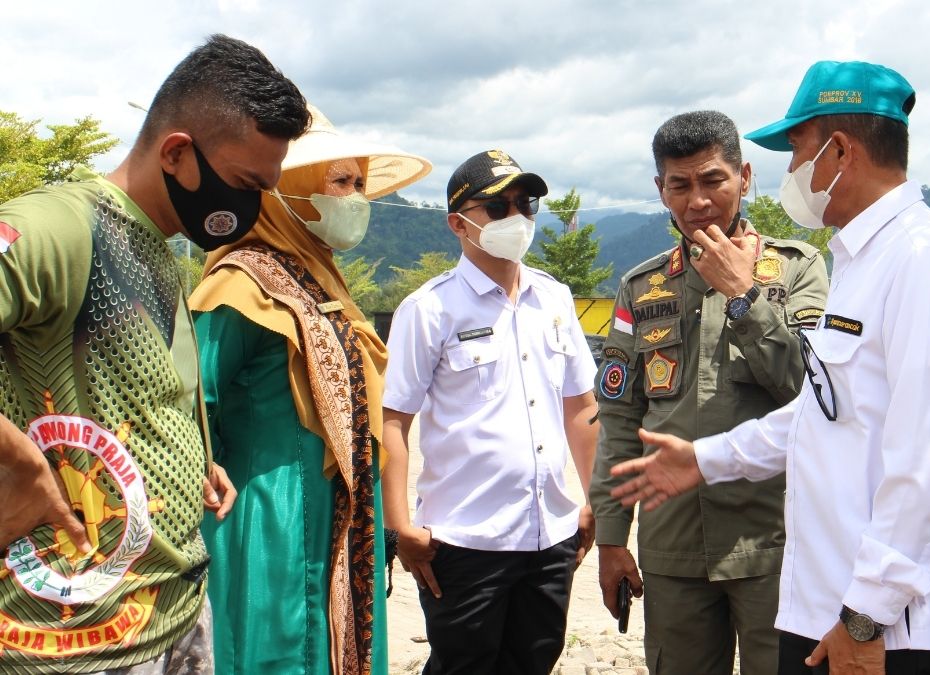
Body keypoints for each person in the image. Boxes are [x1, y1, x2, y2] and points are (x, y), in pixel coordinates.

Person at [607, 60, 930, 675]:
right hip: (828, 600)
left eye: (797, 150)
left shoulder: (920, 262)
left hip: (885, 624)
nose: (792, 170)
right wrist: (704, 459)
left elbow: (927, 460)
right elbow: (823, 409)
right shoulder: (863, 261)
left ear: (838, 150)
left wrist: (866, 616)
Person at [0, 35, 308, 674]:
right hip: (75, 640)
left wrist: (186, 459)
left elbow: (131, 392)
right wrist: (19, 465)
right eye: (246, 183)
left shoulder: (156, 246)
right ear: (176, 153)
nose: (250, 208)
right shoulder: (61, 227)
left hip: (172, 613)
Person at [188, 105, 431, 675]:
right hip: (270, 523)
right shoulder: (240, 287)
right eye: (340, 182)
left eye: (360, 184)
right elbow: (189, 402)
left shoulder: (322, 282)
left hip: (341, 524)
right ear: (285, 190)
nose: (355, 199)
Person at [589, 110, 828, 675]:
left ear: (744, 177)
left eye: (713, 180)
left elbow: (812, 389)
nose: (697, 200)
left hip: (775, 541)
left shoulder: (797, 269)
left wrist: (744, 295)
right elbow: (620, 418)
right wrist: (612, 536)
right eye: (680, 185)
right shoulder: (640, 287)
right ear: (661, 190)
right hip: (674, 543)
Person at [381, 149, 598, 675]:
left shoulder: (554, 299)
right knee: (464, 665)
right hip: (465, 540)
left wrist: (597, 502)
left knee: (535, 661)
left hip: (550, 535)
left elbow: (581, 407)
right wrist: (399, 527)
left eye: (526, 204)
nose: (516, 217)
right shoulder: (429, 309)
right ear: (458, 223)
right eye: (498, 207)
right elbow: (393, 421)